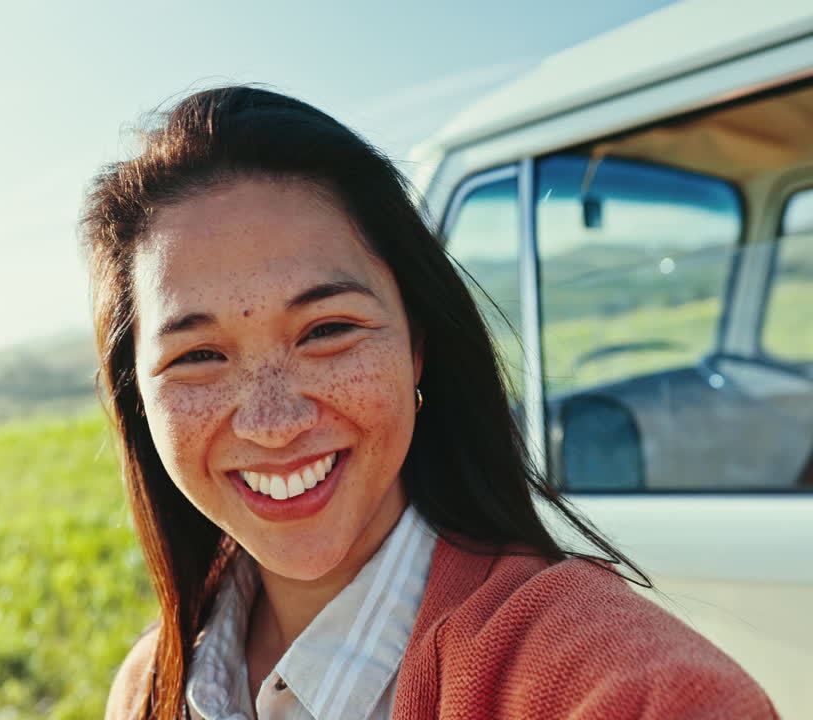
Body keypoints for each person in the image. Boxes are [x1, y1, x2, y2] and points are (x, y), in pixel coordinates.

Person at [80, 86, 775, 720]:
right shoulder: (152, 685)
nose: (274, 422)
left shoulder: (624, 691)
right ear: (137, 396)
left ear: (417, 343)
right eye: (198, 357)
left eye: (327, 331)